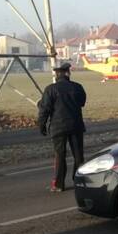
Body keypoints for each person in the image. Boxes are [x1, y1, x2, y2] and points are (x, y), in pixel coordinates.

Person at [38, 63, 86, 193]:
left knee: (60, 155)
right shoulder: (77, 87)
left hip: (58, 127)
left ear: (57, 75)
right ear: (67, 73)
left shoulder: (51, 89)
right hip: (76, 126)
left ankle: (59, 184)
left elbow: (45, 109)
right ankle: (79, 182)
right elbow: (82, 102)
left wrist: (41, 124)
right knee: (78, 156)